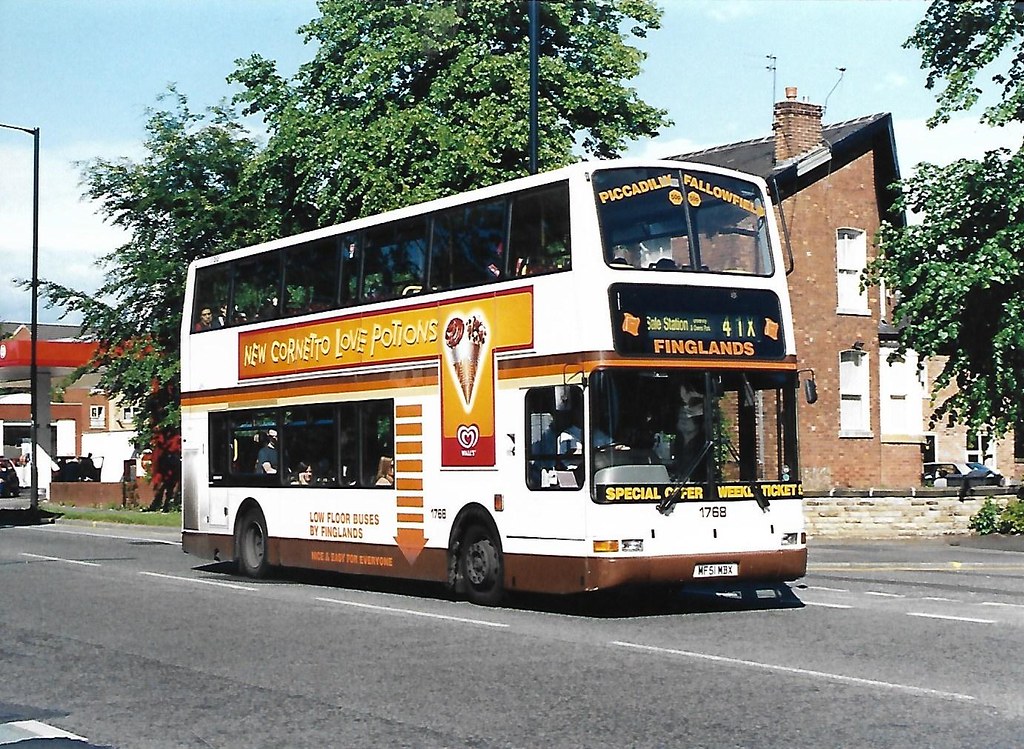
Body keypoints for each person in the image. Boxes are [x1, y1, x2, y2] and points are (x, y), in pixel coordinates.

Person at [674, 380, 706, 480]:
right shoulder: (677, 446)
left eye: (693, 404)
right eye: (681, 405)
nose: (684, 412)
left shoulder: (706, 447)